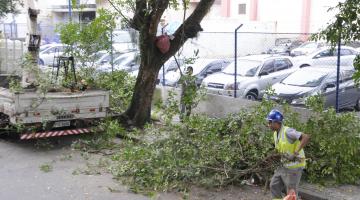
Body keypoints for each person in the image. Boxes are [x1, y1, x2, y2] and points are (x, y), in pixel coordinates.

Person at [267, 109, 310, 200]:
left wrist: (295, 153)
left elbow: (305, 137)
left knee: (291, 193)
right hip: (284, 165)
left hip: (295, 167)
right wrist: (273, 156)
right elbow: (281, 149)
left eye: (270, 122)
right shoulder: (275, 134)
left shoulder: (288, 131)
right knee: (274, 185)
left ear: (276, 122)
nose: (268, 125)